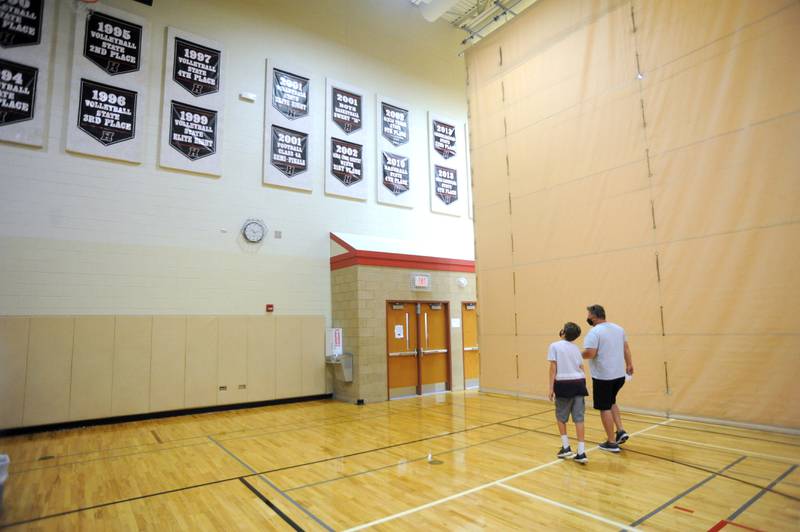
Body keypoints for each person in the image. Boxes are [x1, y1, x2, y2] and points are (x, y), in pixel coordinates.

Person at [582, 304, 634, 453]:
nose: (587, 318)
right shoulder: (619, 329)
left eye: (588, 315)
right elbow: (626, 348)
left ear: (593, 316)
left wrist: (576, 354)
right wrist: (629, 364)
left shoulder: (594, 332)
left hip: (603, 377)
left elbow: (590, 353)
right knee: (611, 401)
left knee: (604, 407)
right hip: (619, 376)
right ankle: (620, 431)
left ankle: (611, 442)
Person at [548, 322, 589, 464]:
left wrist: (550, 388)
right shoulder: (576, 348)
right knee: (579, 418)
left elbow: (553, 368)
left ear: (563, 332)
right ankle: (582, 452)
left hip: (563, 384)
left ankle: (566, 447)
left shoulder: (554, 346)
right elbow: (581, 367)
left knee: (561, 416)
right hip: (579, 383)